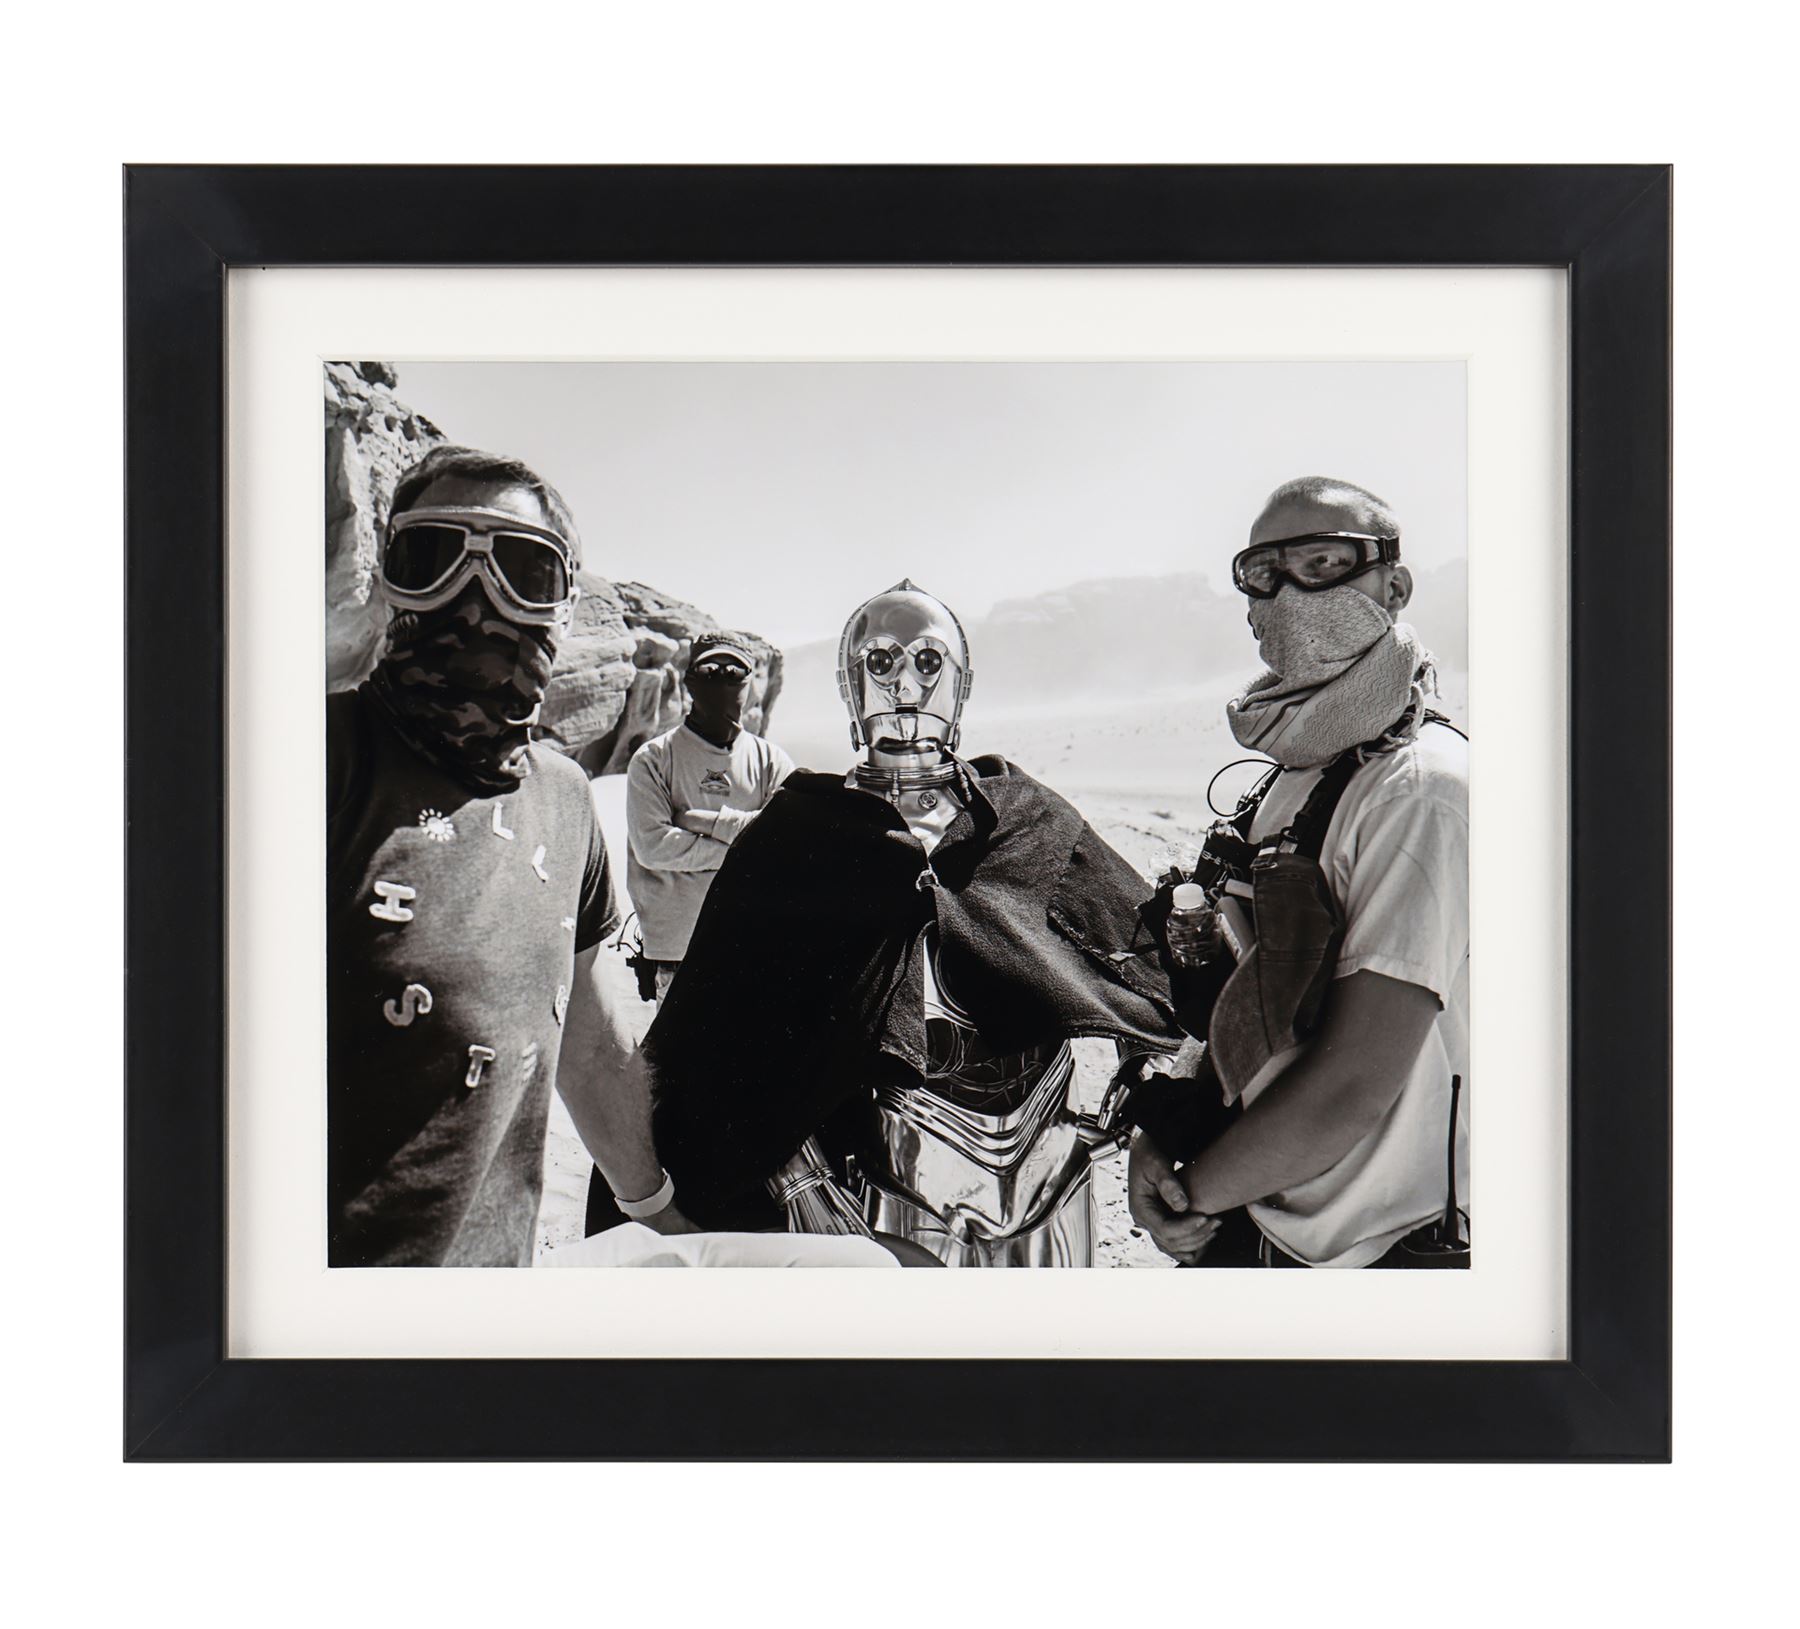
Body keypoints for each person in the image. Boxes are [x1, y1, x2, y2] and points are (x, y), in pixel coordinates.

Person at [643, 579, 1186, 1266]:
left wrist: (1141, 1080)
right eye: (881, 662)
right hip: (881, 1183)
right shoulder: (798, 835)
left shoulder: (1027, 820)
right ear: (850, 685)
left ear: (961, 682)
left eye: (928, 661)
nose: (905, 685)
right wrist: (803, 1183)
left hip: (1051, 1181)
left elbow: (1149, 964)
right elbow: (720, 1044)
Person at [327, 444, 691, 1266]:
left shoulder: (564, 799)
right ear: (388, 578)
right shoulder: (310, 761)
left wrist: (662, 1215)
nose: (477, 598)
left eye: (524, 573)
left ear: (563, 610)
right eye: (434, 558)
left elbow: (590, 1046)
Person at [1129, 476, 1470, 1269]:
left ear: (1394, 587)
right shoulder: (1296, 772)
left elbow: (1352, 1085)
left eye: (1322, 563)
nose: (1288, 595)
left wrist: (1191, 1192)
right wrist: (1166, 1132)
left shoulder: (1419, 792)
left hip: (1373, 1256)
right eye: (1262, 573)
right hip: (1262, 1216)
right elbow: (1242, 1000)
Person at [623, 634, 794, 1005]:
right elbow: (653, 846)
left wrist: (706, 823)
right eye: (711, 670)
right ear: (690, 679)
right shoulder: (653, 759)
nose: (722, 680)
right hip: (677, 957)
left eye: (734, 672)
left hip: (755, 952)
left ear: (750, 683)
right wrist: (749, 848)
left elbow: (789, 845)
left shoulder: (772, 762)